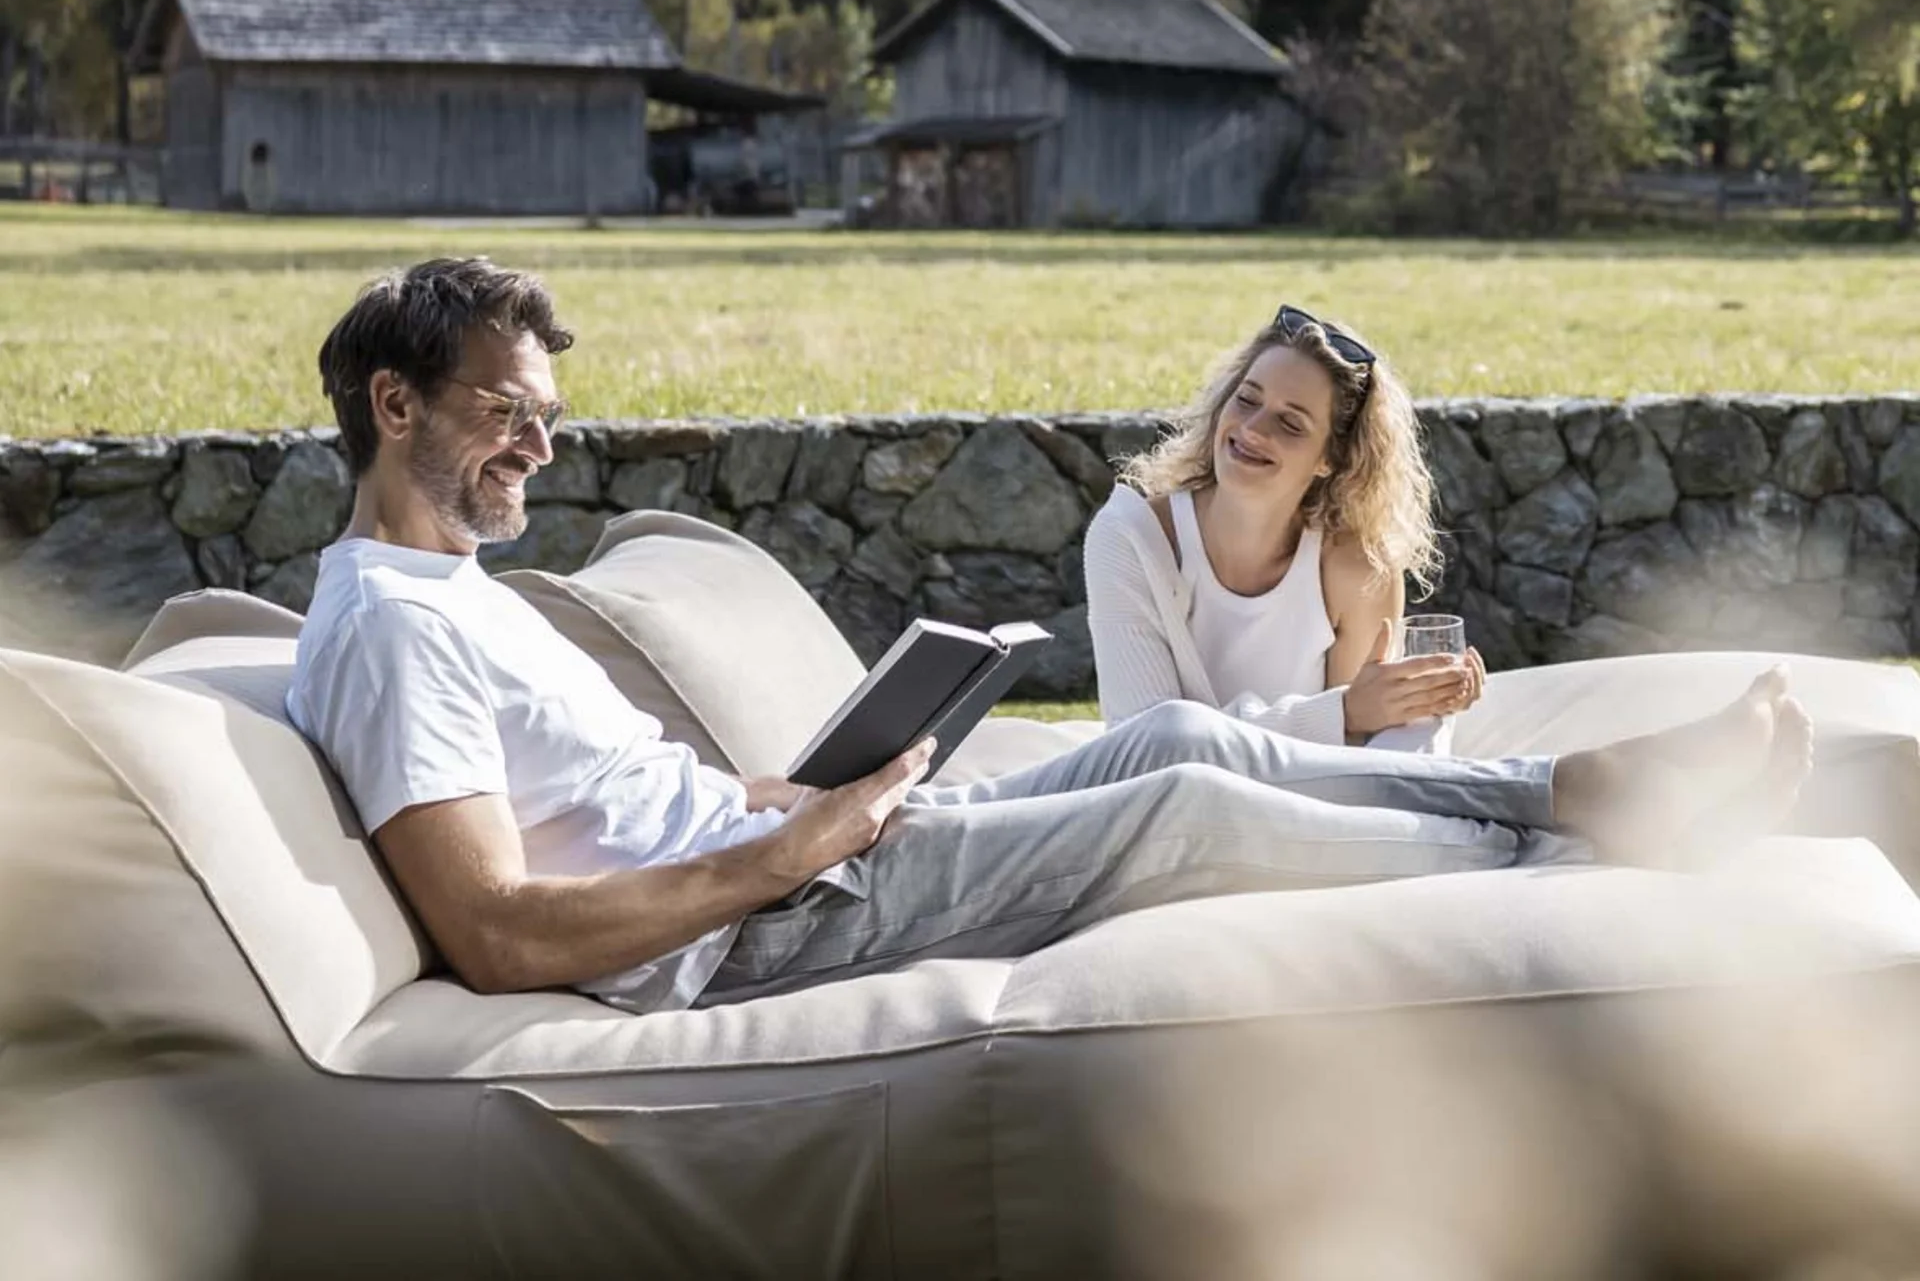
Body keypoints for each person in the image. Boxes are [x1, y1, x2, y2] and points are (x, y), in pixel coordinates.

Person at [288, 258, 1813, 1014]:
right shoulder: (385, 626)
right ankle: (1598, 832)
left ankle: (1564, 797)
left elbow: (589, 813)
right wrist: (786, 855)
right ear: (395, 405)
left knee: (1165, 738)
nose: (541, 451)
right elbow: (493, 929)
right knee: (1181, 804)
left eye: (549, 421)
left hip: (783, 862)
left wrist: (785, 798)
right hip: (753, 936)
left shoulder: (455, 597)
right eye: (507, 416)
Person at [1084, 305, 1477, 750]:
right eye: (1247, 400)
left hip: (1302, 808)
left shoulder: (1358, 570)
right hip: (1167, 807)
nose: (1252, 429)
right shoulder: (1130, 537)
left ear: (1332, 459)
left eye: (1290, 423)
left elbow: (1356, 760)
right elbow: (1147, 746)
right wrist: (1343, 713)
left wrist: (1421, 700)